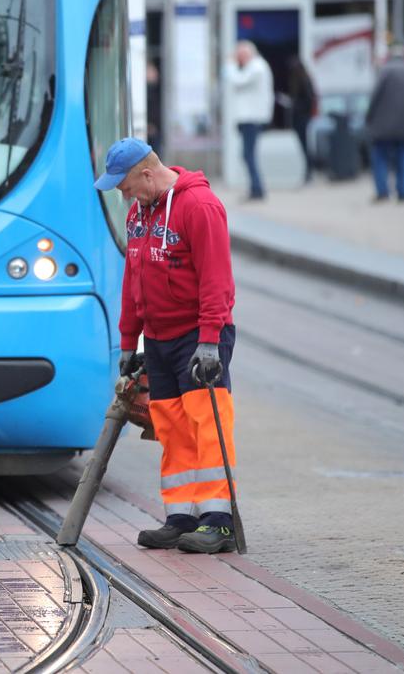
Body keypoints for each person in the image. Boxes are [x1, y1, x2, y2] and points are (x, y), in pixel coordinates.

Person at [95, 137, 240, 554]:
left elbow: (217, 280)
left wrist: (209, 341)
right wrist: (129, 340)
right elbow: (133, 280)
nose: (124, 196)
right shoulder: (138, 214)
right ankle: (181, 517)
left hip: (198, 337)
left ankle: (219, 523)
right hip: (158, 338)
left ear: (146, 174)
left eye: (125, 187)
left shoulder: (200, 206)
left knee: (207, 426)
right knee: (172, 428)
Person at [365, 45, 404, 202]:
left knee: (380, 157)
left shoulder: (385, 71)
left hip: (384, 125)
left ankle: (382, 192)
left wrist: (369, 117)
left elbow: (375, 97)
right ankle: (403, 191)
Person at [223, 41, 273, 200]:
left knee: (248, 154)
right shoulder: (254, 67)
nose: (238, 59)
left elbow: (238, 80)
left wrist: (230, 65)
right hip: (248, 118)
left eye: (240, 55)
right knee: (247, 155)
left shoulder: (257, 67)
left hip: (252, 118)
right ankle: (255, 187)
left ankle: (257, 189)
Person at [288, 56, 318, 184]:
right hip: (300, 117)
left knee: (305, 145)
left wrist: (296, 106)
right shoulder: (302, 80)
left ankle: (309, 171)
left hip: (302, 117)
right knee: (304, 145)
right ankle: (308, 171)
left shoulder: (304, 81)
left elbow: (309, 100)